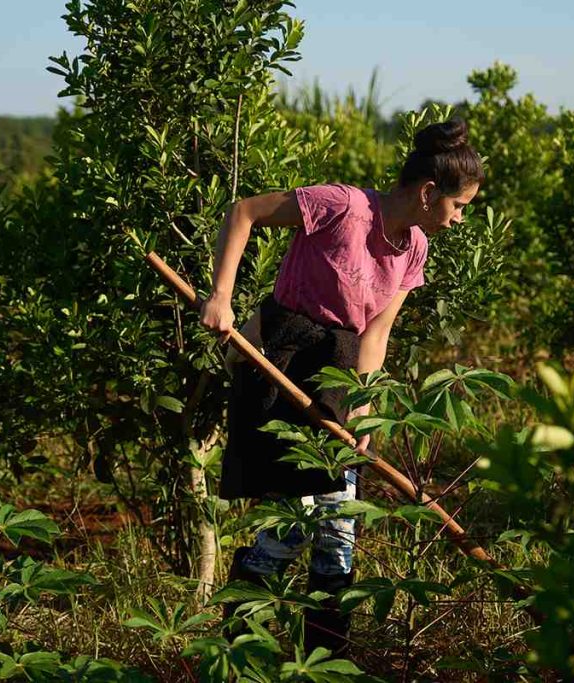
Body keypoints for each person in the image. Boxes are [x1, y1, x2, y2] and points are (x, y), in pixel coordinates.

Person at [199, 118, 483, 656]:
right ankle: (240, 643)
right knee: (304, 518)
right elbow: (243, 213)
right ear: (429, 193)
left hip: (337, 379)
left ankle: (322, 658)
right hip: (279, 365)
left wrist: (365, 418)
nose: (460, 219)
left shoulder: (414, 247)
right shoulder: (342, 206)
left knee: (335, 528)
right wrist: (221, 296)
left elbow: (375, 336)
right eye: (459, 205)